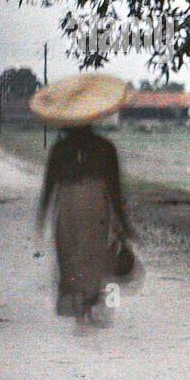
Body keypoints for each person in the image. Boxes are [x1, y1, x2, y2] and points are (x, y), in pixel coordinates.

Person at [36, 125, 137, 327]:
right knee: (92, 255)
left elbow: (49, 185)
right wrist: (123, 221)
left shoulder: (60, 148)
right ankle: (87, 306)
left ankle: (79, 310)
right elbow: (115, 188)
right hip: (96, 204)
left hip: (68, 204)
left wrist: (43, 213)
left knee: (69, 254)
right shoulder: (105, 147)